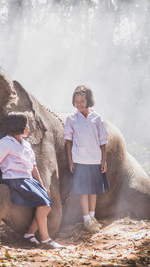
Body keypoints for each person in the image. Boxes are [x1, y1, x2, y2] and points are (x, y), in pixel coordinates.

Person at [0, 112, 65, 249]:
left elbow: (33, 167)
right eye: (26, 125)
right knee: (43, 204)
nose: (28, 127)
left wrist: (42, 187)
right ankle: (46, 240)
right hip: (15, 180)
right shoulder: (5, 143)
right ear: (18, 127)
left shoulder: (26, 145)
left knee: (47, 205)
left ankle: (29, 234)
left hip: (28, 180)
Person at [64, 85, 109, 232]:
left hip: (95, 159)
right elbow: (68, 141)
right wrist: (71, 161)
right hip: (79, 160)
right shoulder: (71, 119)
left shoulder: (97, 118)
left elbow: (103, 141)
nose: (79, 104)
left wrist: (103, 160)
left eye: (82, 100)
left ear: (89, 100)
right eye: (76, 101)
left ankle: (92, 216)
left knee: (93, 191)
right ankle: (86, 220)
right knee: (83, 191)